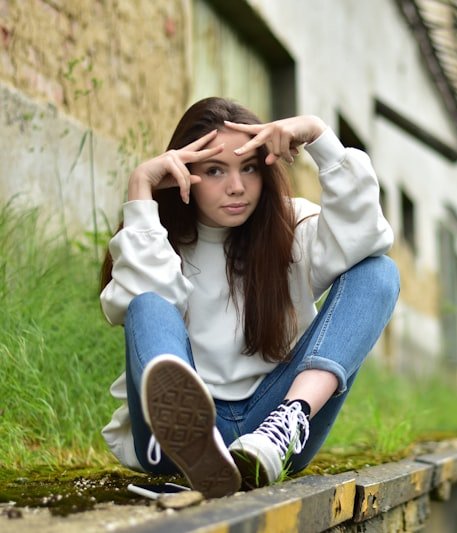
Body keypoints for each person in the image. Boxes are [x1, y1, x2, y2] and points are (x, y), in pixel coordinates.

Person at [98, 97, 399, 498]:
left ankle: (290, 420)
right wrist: (141, 187)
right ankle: (196, 447)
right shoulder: (157, 241)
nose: (236, 187)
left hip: (273, 434)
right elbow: (135, 305)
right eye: (214, 170)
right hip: (175, 443)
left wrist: (317, 134)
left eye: (250, 168)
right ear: (185, 173)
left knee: (379, 271)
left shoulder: (291, 229)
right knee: (148, 303)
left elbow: (366, 238)